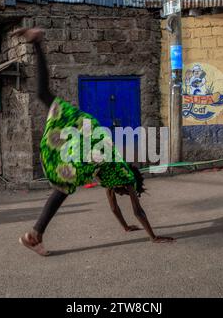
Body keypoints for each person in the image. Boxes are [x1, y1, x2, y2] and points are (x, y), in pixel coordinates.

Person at [14, 28, 175, 256]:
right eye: (126, 193)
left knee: (43, 95)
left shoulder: (111, 181)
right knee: (64, 186)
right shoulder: (124, 176)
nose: (120, 194)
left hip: (86, 128)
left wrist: (125, 227)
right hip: (89, 137)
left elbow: (114, 208)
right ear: (131, 184)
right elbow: (137, 211)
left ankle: (36, 43)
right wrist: (153, 236)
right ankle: (36, 234)